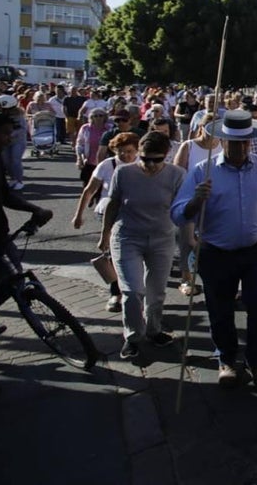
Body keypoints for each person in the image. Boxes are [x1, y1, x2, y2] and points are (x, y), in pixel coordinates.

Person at [171, 109, 257, 391]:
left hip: (256, 248)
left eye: (245, 142)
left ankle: (256, 360)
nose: (241, 148)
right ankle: (226, 360)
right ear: (223, 142)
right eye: (235, 143)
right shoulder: (202, 172)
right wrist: (195, 201)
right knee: (219, 308)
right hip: (216, 250)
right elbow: (177, 214)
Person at [100, 131, 185, 359]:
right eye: (145, 158)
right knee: (132, 290)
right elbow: (113, 203)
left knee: (156, 292)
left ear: (166, 155)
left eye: (157, 160)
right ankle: (133, 337)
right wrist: (104, 235)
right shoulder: (124, 173)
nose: (150, 165)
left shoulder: (177, 174)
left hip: (162, 238)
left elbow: (183, 209)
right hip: (127, 236)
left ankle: (154, 329)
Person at [0, 111, 53, 341]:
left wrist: (34, 209)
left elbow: (5, 196)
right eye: (5, 133)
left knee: (12, 280)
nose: (11, 138)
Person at [73, 131, 140, 312]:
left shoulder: (142, 165)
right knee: (113, 253)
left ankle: (136, 292)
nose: (125, 155)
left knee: (134, 253)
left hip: (135, 213)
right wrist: (79, 214)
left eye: (129, 151)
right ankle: (115, 294)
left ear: (137, 150)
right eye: (121, 151)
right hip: (108, 212)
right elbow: (89, 190)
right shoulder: (107, 165)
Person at [173, 117, 221, 297]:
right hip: (192, 198)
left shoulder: (223, 145)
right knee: (187, 239)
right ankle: (186, 278)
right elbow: (177, 171)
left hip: (215, 199)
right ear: (202, 127)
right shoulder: (189, 145)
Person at [0, 95, 28, 190]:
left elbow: (21, 129)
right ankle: (13, 178)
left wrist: (9, 135)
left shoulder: (18, 115)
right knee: (6, 161)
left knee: (15, 161)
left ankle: (19, 180)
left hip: (17, 141)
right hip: (4, 142)